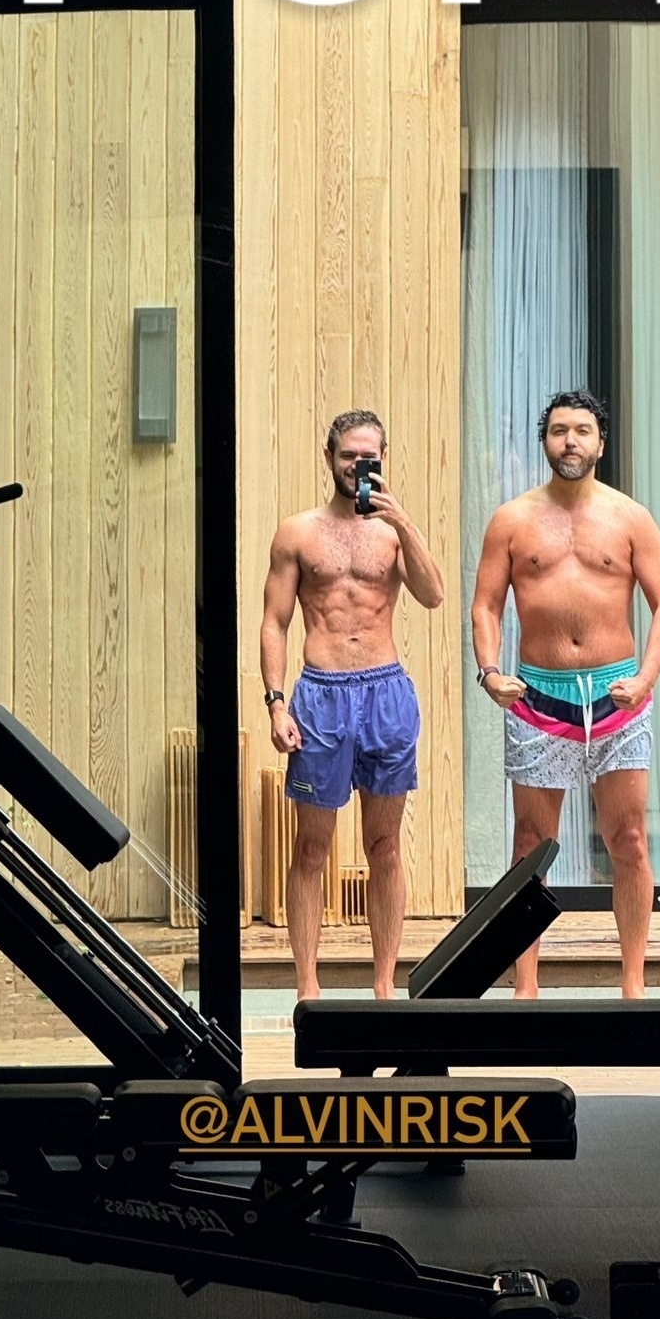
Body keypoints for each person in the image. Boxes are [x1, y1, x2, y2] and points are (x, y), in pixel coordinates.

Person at [470, 389, 660, 999]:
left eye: (582, 431)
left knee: (629, 840)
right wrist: (490, 672)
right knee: (530, 845)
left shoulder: (631, 517)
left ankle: (634, 984)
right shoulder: (512, 520)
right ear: (545, 441)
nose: (570, 441)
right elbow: (485, 605)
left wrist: (645, 679)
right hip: (539, 697)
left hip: (618, 698)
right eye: (559, 430)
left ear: (600, 443)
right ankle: (526, 985)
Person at [259, 409, 444, 1000]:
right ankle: (308, 986)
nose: (357, 466)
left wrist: (403, 520)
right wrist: (276, 704)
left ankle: (385, 984)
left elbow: (434, 594)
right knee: (312, 847)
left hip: (386, 692)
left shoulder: (392, 532)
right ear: (329, 457)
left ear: (382, 459)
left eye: (369, 457)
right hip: (321, 696)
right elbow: (274, 622)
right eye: (348, 456)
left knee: (384, 847)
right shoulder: (298, 533)